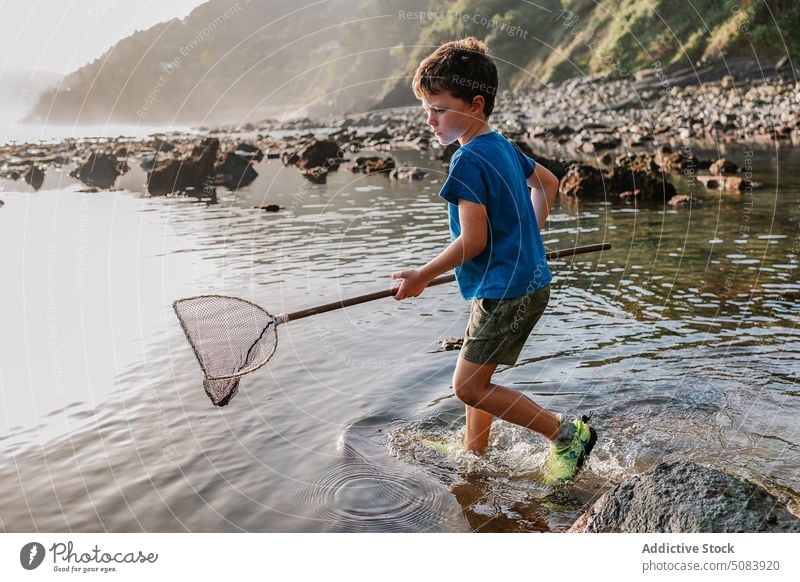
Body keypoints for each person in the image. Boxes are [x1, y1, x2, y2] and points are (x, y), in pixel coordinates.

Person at [391, 37, 596, 484]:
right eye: (426, 109)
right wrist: (527, 237)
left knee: (467, 385)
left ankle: (566, 435)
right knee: (475, 372)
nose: (430, 120)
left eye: (439, 108)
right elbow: (549, 184)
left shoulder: (466, 161)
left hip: (506, 289)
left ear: (476, 103)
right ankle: (475, 451)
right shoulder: (500, 145)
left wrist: (423, 275)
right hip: (518, 282)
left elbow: (474, 241)